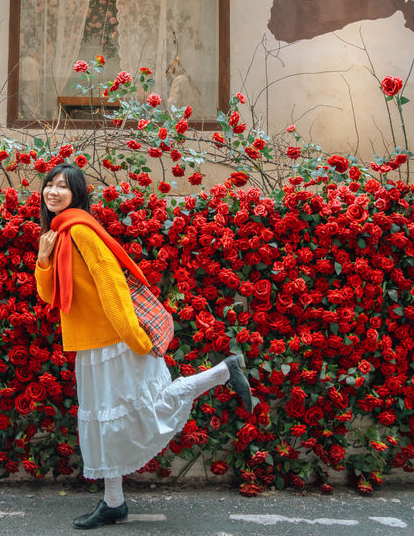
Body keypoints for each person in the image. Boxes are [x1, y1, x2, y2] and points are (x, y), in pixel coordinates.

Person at [34, 164, 253, 530]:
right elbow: (51, 295)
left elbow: (112, 287)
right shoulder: (58, 233)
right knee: (106, 422)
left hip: (115, 342)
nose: (53, 191)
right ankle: (114, 502)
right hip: (92, 345)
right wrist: (43, 258)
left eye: (62, 186)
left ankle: (222, 372)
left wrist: (136, 339)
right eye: (49, 185)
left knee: (142, 412)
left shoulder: (81, 232)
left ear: (77, 194)